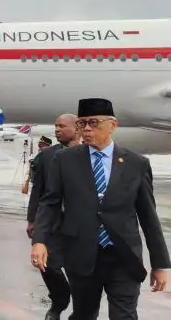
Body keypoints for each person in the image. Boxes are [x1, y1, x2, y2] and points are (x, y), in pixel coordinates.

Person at [32, 98, 170, 319]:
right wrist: (39, 240)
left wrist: (160, 264)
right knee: (84, 314)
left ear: (112, 125)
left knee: (124, 315)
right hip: (82, 255)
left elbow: (148, 216)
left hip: (123, 256)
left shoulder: (136, 164)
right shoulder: (65, 160)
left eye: (93, 123)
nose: (86, 129)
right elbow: (50, 202)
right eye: (82, 123)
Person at [26, 114, 79, 320]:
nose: (57, 129)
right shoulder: (46, 156)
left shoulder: (90, 155)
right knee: (48, 266)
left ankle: (80, 307)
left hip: (79, 225)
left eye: (62, 126)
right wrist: (32, 220)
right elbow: (37, 190)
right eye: (56, 126)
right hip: (52, 222)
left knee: (79, 270)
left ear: (78, 128)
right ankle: (59, 301)